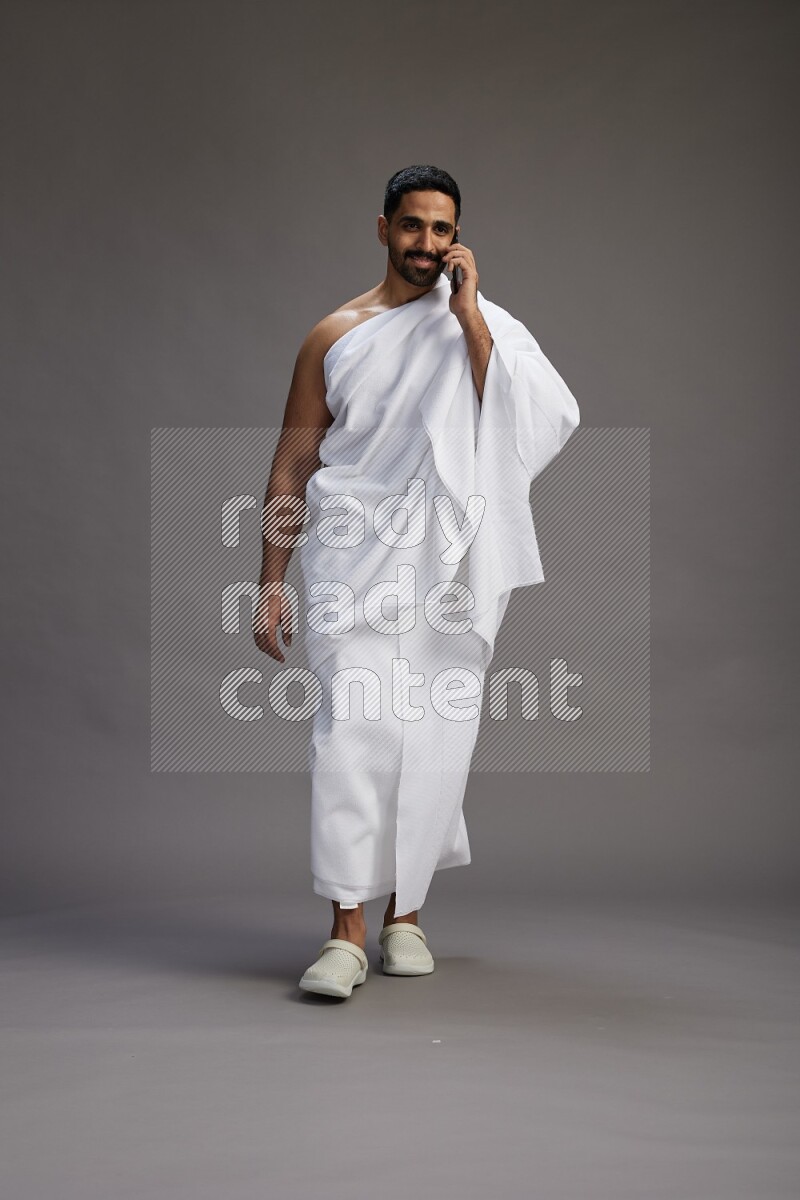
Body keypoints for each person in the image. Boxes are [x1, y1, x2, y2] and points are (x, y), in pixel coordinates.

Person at [254, 165, 580, 998]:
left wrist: (469, 313)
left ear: (459, 235)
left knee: (435, 740)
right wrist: (270, 581)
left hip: (451, 567)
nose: (428, 245)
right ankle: (346, 932)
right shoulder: (335, 335)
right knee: (352, 737)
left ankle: (407, 915)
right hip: (351, 558)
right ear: (383, 228)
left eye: (443, 230)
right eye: (413, 227)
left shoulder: (482, 325)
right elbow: (292, 465)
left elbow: (533, 421)